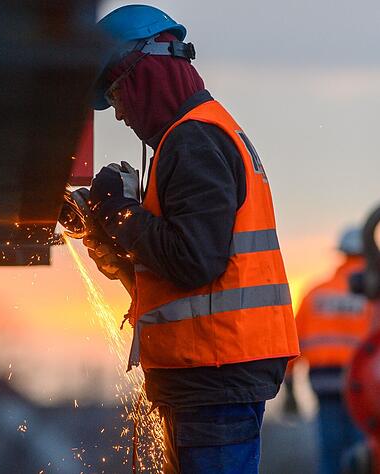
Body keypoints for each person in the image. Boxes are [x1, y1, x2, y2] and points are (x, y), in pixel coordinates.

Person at [84, 5, 299, 473]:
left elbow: (194, 260)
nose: (119, 113)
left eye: (116, 94)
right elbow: (184, 269)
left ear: (143, 75)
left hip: (215, 374)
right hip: (211, 372)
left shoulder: (194, 139)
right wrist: (115, 241)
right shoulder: (196, 136)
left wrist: (122, 213)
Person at [285, 227, 373, 474]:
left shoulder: (316, 292)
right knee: (362, 453)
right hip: (363, 384)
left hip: (324, 381)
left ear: (341, 254)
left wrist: (290, 385)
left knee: (330, 451)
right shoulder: (372, 296)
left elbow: (293, 341)